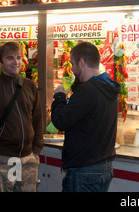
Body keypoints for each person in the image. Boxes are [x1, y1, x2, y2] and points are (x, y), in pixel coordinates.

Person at [51, 41, 120, 192]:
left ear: (81, 62)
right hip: (102, 167)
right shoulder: (108, 87)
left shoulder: (88, 91)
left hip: (84, 171)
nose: (72, 69)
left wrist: (60, 96)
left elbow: (60, 121)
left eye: (73, 64)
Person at [0, 42, 44, 192]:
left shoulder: (30, 86)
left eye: (19, 57)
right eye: (10, 58)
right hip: (2, 158)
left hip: (28, 158)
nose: (16, 62)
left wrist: (36, 149)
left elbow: (38, 119)